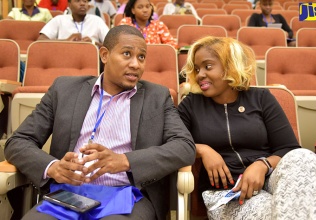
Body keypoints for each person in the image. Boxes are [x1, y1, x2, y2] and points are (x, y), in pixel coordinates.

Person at [4, 25, 196, 219]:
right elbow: (18, 141)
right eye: (127, 54)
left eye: (141, 57)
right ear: (105, 55)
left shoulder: (157, 97)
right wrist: (52, 167)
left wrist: (125, 161)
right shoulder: (64, 90)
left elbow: (185, 147)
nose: (136, 64)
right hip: (67, 195)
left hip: (127, 197)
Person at [177, 36, 316, 219]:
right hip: (227, 192)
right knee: (276, 209)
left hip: (271, 179)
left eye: (208, 67)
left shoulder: (261, 98)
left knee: (305, 158)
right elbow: (173, 143)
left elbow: (289, 149)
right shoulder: (191, 105)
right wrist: (203, 150)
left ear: (230, 66)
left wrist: (262, 165)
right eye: (197, 69)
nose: (200, 75)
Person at [38, 0, 108, 48]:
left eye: (85, 1)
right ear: (69, 5)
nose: (82, 4)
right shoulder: (59, 20)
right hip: (63, 57)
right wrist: (66, 41)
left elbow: (112, 45)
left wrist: (93, 43)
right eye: (77, 1)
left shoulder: (97, 20)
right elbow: (40, 41)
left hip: (91, 58)